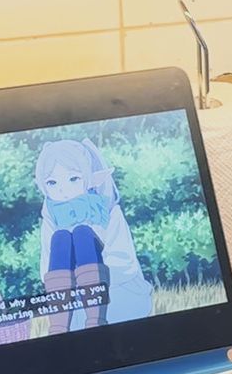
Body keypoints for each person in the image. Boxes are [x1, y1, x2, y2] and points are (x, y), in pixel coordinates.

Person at [33, 139, 154, 333]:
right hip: (74, 304)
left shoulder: (109, 211)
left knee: (82, 234)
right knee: (61, 238)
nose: (63, 190)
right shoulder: (51, 219)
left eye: (73, 179)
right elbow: (46, 268)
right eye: (52, 182)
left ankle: (95, 320)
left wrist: (90, 277)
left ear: (89, 178)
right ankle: (58, 328)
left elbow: (125, 263)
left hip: (117, 297)